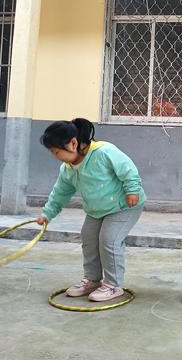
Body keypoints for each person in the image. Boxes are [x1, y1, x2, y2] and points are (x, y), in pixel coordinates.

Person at [36, 118, 145, 302]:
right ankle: (92, 280)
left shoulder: (103, 151)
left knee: (109, 240)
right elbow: (59, 194)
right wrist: (47, 214)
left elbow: (128, 169)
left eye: (57, 151)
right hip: (96, 210)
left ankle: (112, 285)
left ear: (73, 143)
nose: (56, 156)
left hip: (124, 205)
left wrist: (132, 190)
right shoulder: (67, 169)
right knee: (88, 239)